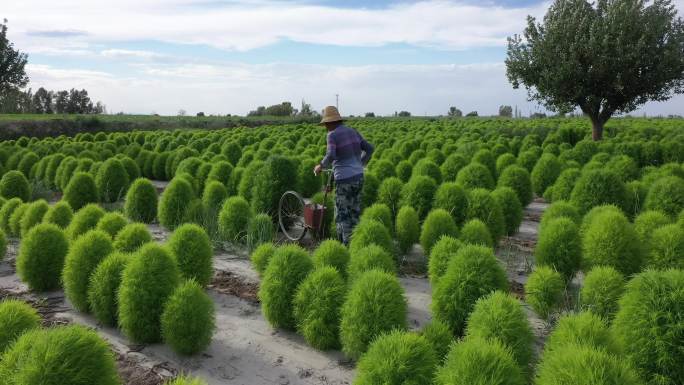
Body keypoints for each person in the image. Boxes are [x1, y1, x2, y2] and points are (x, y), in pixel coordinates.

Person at [314, 106, 374, 245]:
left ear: (329, 122)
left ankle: (346, 248)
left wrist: (320, 166)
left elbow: (331, 155)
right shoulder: (353, 131)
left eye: (326, 124)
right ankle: (357, 245)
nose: (325, 127)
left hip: (344, 181)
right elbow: (370, 149)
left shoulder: (332, 135)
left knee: (342, 217)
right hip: (359, 178)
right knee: (355, 214)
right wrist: (360, 163)